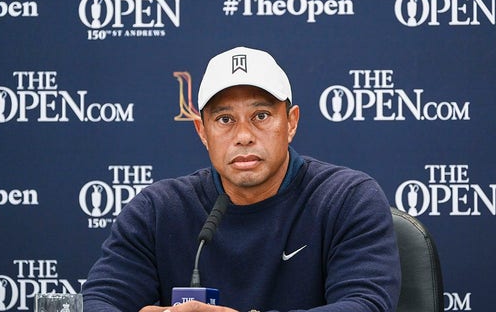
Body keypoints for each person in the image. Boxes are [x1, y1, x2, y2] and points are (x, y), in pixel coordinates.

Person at [82, 46, 401, 312]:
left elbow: (364, 305)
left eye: (261, 116)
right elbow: (99, 301)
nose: (244, 136)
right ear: (202, 132)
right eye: (224, 119)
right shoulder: (158, 209)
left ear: (290, 123)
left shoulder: (346, 198)